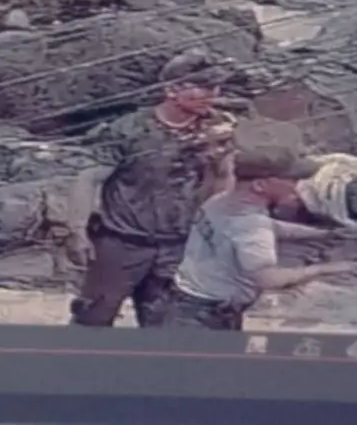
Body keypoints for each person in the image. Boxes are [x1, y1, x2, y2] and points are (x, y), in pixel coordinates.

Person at [67, 51, 236, 328]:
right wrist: (77, 231)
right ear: (171, 90)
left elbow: (225, 179)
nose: (212, 93)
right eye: (202, 86)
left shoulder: (215, 127)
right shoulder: (129, 130)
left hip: (177, 246)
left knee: (168, 325)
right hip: (121, 244)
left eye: (215, 87)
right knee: (93, 318)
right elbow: (88, 178)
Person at [169, 145, 357, 330]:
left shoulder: (220, 202)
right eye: (291, 180)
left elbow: (270, 227)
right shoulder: (252, 228)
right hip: (207, 313)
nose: (297, 187)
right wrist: (326, 269)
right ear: (260, 185)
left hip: (184, 298)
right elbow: (268, 279)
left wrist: (325, 234)